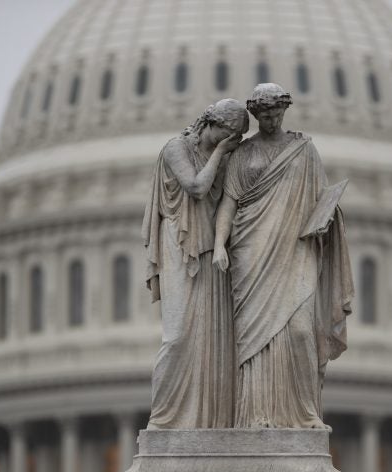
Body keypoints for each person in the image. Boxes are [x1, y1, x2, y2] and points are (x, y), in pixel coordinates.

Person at [213, 84, 353, 429]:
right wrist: (219, 244)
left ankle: (304, 414)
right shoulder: (243, 154)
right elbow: (228, 203)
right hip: (251, 253)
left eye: (276, 114)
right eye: (264, 116)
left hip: (296, 248)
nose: (271, 120)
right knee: (254, 340)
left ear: (284, 111)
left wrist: (326, 220)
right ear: (256, 116)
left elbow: (321, 199)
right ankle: (255, 415)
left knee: (301, 332)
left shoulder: (303, 151)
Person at [143, 99, 249, 429]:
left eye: (235, 139)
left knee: (211, 339)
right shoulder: (177, 148)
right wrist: (221, 152)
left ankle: (208, 421)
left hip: (211, 251)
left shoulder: (228, 156)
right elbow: (197, 187)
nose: (229, 144)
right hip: (179, 243)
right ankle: (164, 421)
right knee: (177, 337)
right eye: (227, 135)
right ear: (210, 125)